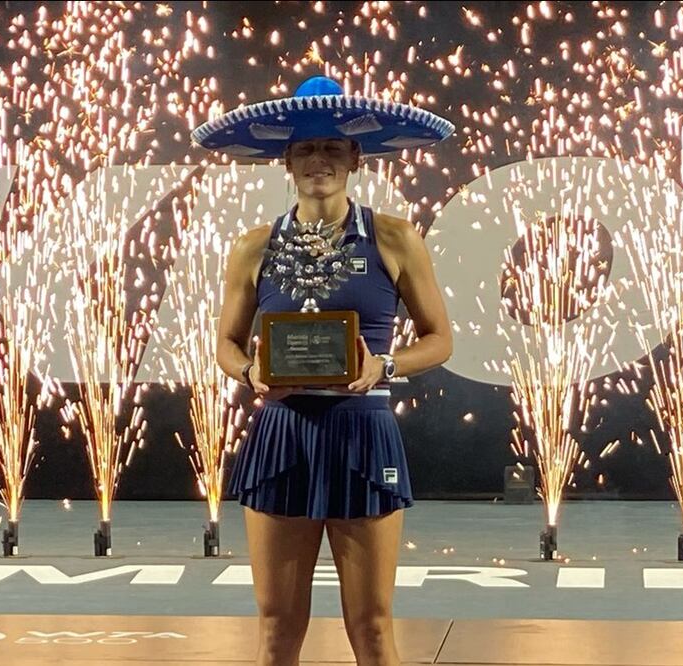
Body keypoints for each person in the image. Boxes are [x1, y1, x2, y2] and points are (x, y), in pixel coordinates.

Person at [193, 75, 454, 666]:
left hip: (364, 433)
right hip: (282, 433)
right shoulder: (252, 247)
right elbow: (227, 344)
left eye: (333, 148)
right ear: (287, 159)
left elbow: (441, 341)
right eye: (307, 148)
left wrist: (384, 364)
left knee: (373, 628)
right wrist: (249, 373)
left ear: (355, 157)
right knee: (277, 628)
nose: (320, 160)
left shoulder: (394, 237)